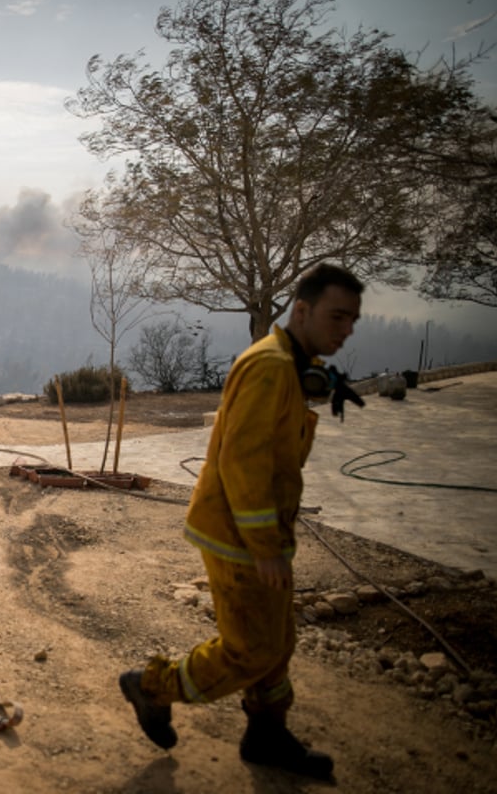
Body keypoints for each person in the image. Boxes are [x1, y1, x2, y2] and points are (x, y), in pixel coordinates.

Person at [118, 264, 364, 781]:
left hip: (265, 533)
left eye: (353, 320)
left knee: (277, 640)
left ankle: (267, 734)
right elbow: (242, 461)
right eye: (337, 316)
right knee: (252, 648)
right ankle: (152, 686)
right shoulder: (271, 366)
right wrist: (264, 547)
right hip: (239, 537)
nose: (346, 329)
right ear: (302, 311)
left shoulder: (292, 364)